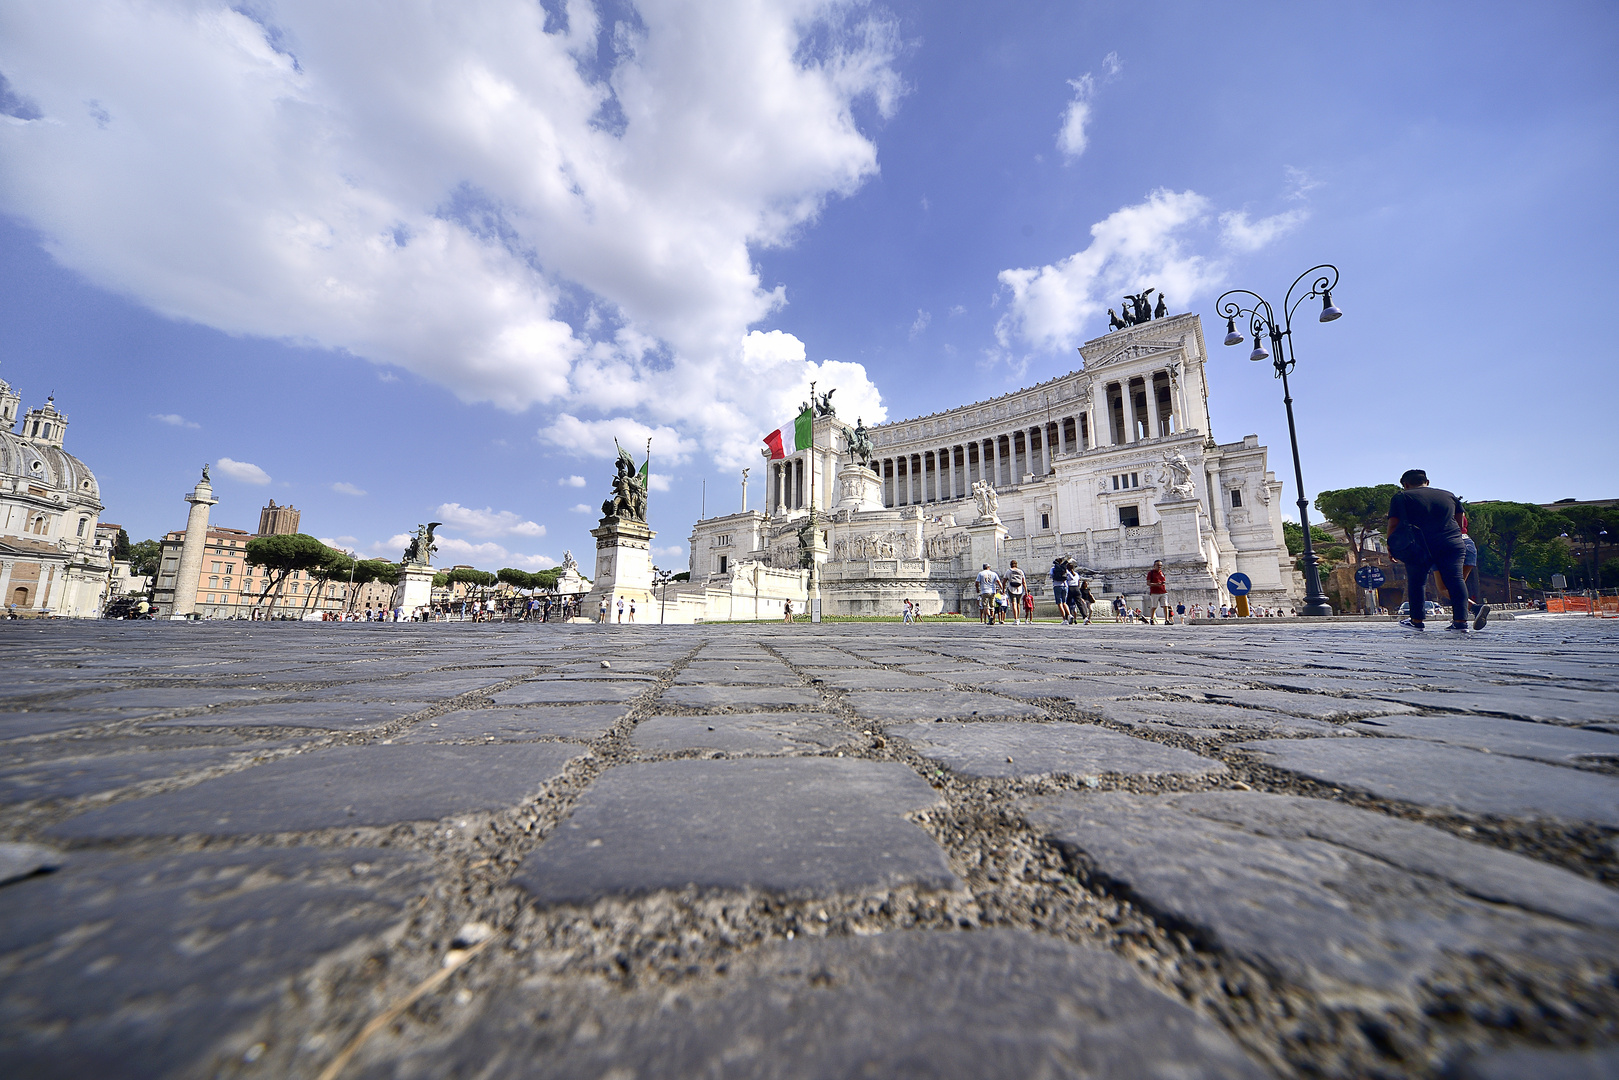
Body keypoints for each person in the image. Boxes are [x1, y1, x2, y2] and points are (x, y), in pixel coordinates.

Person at [1387, 468, 1478, 631]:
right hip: (1451, 543)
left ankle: (1416, 620)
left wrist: (1391, 546)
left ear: (1405, 485)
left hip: (1419, 545)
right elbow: (1460, 522)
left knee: (1417, 582)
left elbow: (1394, 523)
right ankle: (1460, 622)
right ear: (1427, 482)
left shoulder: (1401, 497)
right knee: (1456, 580)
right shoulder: (1449, 495)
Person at [1146, 560, 1169, 626]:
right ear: (1154, 565)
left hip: (1163, 591)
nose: (1159, 567)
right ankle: (1152, 619)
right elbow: (1148, 583)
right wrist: (1157, 584)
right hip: (1154, 592)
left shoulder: (1162, 573)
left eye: (1160, 565)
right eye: (1158, 565)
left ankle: (1167, 620)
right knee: (1154, 606)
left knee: (1165, 606)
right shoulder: (1151, 573)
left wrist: (1162, 584)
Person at [1005, 560, 1026, 624]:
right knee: (1018, 604)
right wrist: (1026, 590)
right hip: (1019, 589)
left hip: (1011, 589)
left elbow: (1004, 581)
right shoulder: (1020, 571)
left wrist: (1003, 589)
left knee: (1014, 603)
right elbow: (1024, 582)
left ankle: (1016, 619)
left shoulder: (1008, 571)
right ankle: (1018, 618)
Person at [1051, 559, 1071, 623]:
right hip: (1065, 586)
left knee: (1059, 604)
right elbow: (1071, 577)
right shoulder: (1064, 568)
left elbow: (1051, 575)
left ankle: (1064, 619)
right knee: (1064, 603)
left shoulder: (1053, 568)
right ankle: (1070, 615)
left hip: (1057, 586)